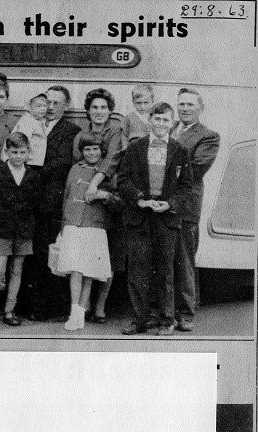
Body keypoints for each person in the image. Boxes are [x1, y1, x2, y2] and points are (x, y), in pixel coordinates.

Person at [117, 102, 193, 336]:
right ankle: (140, 319)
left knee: (165, 271)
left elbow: (186, 186)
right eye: (157, 119)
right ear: (149, 121)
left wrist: (170, 204)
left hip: (166, 218)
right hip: (140, 216)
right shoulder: (135, 148)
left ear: (172, 124)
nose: (161, 124)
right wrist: (140, 199)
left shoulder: (180, 151)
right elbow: (123, 180)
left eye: (166, 120)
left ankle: (166, 319)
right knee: (138, 271)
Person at [23, 85, 81, 322]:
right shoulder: (32, 123)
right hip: (29, 199)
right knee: (29, 252)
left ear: (66, 106)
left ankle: (47, 306)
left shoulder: (71, 130)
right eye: (48, 102)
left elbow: (61, 162)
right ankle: (26, 304)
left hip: (51, 199)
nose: (51, 107)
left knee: (48, 253)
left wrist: (33, 173)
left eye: (57, 103)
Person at [0, 132, 41, 328]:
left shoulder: (33, 176)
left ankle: (9, 310)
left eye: (22, 152)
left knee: (17, 269)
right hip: (2, 228)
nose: (18, 156)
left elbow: (36, 204)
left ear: (28, 152)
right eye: (14, 152)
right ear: (6, 152)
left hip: (23, 229)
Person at [171, 88, 220, 332]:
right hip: (163, 203)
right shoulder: (169, 129)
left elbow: (197, 168)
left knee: (184, 259)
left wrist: (163, 174)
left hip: (186, 205)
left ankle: (186, 314)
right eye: (181, 104)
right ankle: (167, 312)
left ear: (200, 108)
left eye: (190, 104)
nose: (185, 108)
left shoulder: (208, 136)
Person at [53, 134, 114, 331]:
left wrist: (103, 194)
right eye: (87, 149)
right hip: (73, 224)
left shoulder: (106, 173)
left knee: (88, 272)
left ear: (102, 151)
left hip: (94, 225)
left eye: (95, 149)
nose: (92, 153)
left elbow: (117, 200)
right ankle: (74, 311)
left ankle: (80, 313)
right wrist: (63, 227)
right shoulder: (75, 168)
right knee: (76, 270)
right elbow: (68, 197)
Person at [11, 94, 48, 166]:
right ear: (29, 107)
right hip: (27, 162)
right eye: (38, 106)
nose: (43, 109)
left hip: (35, 162)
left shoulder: (37, 120)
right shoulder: (27, 121)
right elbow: (21, 143)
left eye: (45, 106)